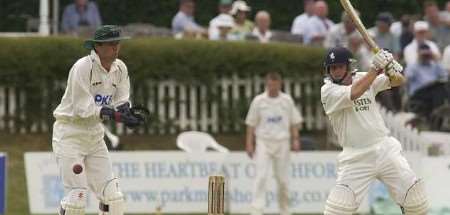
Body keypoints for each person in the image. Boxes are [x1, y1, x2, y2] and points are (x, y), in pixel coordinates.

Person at [320, 47, 429, 215]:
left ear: (348, 67)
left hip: (384, 149)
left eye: (340, 66)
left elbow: (399, 81)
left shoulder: (364, 78)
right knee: (337, 210)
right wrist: (375, 68)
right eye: (332, 68)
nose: (336, 71)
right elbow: (355, 92)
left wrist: (392, 68)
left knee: (415, 200)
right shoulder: (328, 91)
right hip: (356, 156)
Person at [52, 25, 145, 215]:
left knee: (113, 198)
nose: (116, 48)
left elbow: (121, 100)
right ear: (98, 46)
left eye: (117, 44)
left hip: (94, 136)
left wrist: (127, 115)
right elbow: (82, 108)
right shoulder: (83, 67)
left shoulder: (120, 68)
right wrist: (113, 114)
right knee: (75, 201)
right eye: (111, 44)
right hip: (70, 134)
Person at [245, 72, 303, 215]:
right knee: (261, 176)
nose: (272, 88)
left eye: (275, 85)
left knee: (282, 179)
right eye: (270, 85)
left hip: (282, 142)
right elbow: (251, 124)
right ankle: (256, 210)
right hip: (263, 142)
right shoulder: (259, 101)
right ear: (267, 84)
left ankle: (284, 211)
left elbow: (294, 121)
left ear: (280, 84)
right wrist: (249, 143)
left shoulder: (286, 100)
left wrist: (295, 139)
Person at [405, 43, 449, 118]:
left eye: (427, 55)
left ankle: (439, 110)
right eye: (423, 55)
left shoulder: (434, 65)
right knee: (437, 89)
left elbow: (445, 75)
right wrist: (418, 59)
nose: (425, 57)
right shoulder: (413, 66)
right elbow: (407, 78)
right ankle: (438, 111)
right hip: (418, 92)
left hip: (433, 90)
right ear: (418, 54)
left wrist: (436, 60)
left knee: (442, 86)